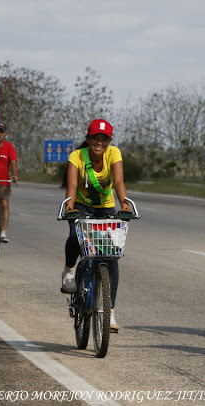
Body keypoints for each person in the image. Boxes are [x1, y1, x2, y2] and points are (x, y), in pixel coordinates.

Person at [60, 119, 130, 333]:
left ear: (109, 141)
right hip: (81, 205)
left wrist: (125, 204)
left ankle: (110, 310)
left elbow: (118, 182)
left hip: (106, 207)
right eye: (95, 138)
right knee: (75, 236)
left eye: (104, 138)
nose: (99, 142)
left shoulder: (114, 154)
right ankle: (70, 270)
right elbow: (71, 186)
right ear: (88, 139)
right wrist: (69, 207)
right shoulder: (77, 156)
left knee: (111, 255)